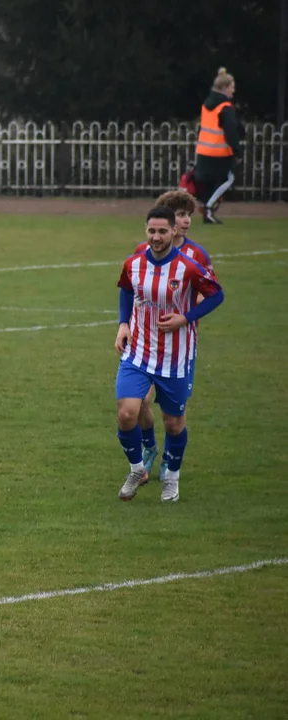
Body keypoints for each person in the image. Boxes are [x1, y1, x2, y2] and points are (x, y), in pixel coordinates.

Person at [115, 206, 223, 503]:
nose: (157, 237)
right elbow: (126, 290)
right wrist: (123, 324)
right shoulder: (133, 263)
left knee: (173, 423)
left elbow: (217, 295)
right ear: (145, 230)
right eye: (152, 231)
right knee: (127, 413)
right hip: (137, 352)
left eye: (163, 231)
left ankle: (171, 477)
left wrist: (185, 318)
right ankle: (137, 469)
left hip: (175, 358)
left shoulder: (188, 266)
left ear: (174, 231)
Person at [131, 190, 217, 480]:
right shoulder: (141, 251)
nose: (185, 221)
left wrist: (186, 318)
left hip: (179, 347)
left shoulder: (197, 255)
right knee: (139, 401)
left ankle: (170, 458)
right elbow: (132, 288)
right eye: (180, 215)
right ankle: (149, 447)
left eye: (188, 215)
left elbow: (211, 294)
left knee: (174, 416)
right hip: (144, 344)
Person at [194, 68, 242, 225]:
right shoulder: (225, 107)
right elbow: (231, 132)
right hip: (219, 151)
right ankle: (208, 208)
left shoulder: (206, 104)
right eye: (232, 87)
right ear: (224, 88)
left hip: (204, 150)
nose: (233, 90)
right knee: (228, 179)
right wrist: (238, 151)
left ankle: (207, 211)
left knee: (209, 182)